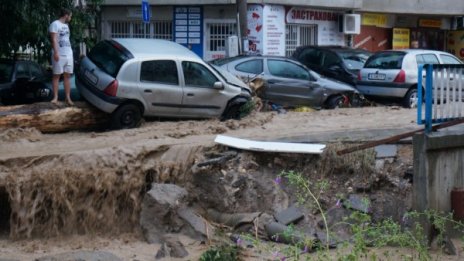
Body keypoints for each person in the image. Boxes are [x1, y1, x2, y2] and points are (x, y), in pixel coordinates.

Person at [49, 8, 74, 105]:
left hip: (68, 53)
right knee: (56, 76)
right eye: (70, 16)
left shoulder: (66, 26)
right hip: (59, 54)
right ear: (66, 15)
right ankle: (55, 97)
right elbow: (54, 39)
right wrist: (56, 52)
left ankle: (68, 98)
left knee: (67, 76)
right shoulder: (55, 24)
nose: (70, 18)